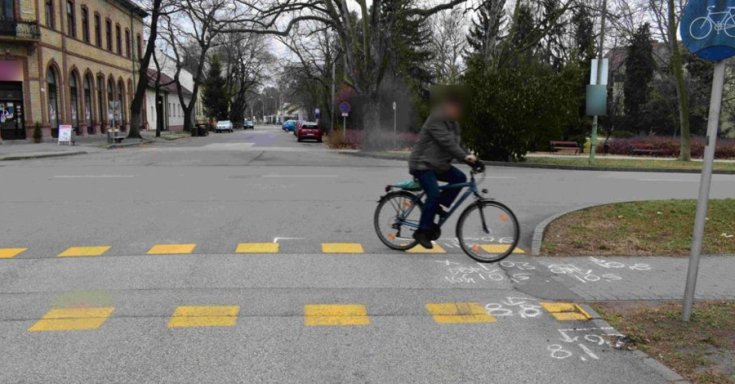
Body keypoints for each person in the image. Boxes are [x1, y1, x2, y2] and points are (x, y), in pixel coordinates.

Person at [408, 91, 476, 249]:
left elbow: (457, 145)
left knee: (460, 179)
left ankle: (437, 205)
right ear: (449, 106)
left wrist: (471, 158)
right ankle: (421, 231)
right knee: (434, 193)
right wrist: (465, 158)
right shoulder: (436, 118)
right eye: (457, 108)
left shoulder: (453, 123)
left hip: (438, 165)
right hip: (422, 164)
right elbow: (448, 143)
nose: (458, 112)